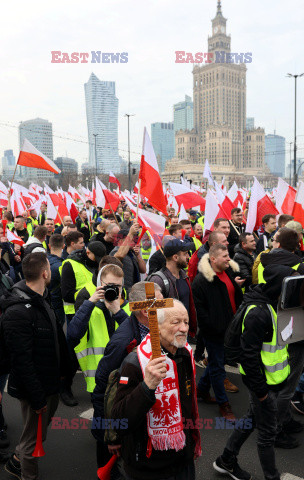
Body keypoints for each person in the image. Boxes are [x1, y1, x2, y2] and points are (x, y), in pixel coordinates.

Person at [213, 265, 294, 480]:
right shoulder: (258, 313)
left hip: (273, 381)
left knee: (251, 420)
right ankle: (272, 477)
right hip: (263, 385)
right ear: (280, 286)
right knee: (267, 435)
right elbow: (248, 359)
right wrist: (262, 394)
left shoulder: (274, 304)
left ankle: (226, 460)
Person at [111, 300, 201, 480]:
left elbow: (189, 404)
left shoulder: (185, 353)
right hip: (148, 467)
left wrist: (193, 440)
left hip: (182, 457)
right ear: (156, 326)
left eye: (186, 322)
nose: (183, 328)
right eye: (176, 322)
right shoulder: (135, 363)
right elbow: (119, 421)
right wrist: (147, 387)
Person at [2, 253, 70, 480]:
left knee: (36, 435)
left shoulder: (42, 298)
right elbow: (21, 361)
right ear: (45, 273)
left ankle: (15, 462)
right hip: (36, 390)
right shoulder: (18, 311)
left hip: (49, 383)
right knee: (33, 441)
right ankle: (27, 475)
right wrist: (38, 396)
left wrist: (63, 373)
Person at [92, 282, 163, 469]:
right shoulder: (122, 342)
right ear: (146, 312)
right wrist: (110, 435)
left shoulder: (153, 328)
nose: (167, 307)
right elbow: (104, 390)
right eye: (161, 303)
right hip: (121, 420)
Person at [192, 244, 244, 420]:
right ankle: (224, 404)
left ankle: (201, 390)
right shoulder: (201, 281)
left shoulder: (227, 272)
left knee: (216, 362)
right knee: (217, 367)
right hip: (214, 333)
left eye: (228, 255)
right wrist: (214, 329)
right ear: (213, 259)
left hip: (230, 329)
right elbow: (201, 313)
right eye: (224, 255)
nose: (229, 258)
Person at [68, 264, 129, 394]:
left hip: (124, 376)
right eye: (110, 285)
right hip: (98, 379)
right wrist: (90, 302)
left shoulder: (128, 308)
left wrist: (117, 312)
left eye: (118, 286)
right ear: (100, 283)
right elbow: (72, 335)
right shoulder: (91, 309)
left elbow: (137, 337)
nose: (114, 289)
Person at [60, 241, 106, 406]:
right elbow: (66, 294)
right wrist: (87, 295)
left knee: (94, 352)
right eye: (96, 257)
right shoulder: (70, 264)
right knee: (73, 355)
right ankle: (64, 388)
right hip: (76, 314)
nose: (98, 261)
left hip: (96, 313)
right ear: (88, 252)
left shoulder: (97, 264)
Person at [149, 238, 197, 339]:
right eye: (185, 254)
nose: (188, 256)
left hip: (184, 332)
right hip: (168, 337)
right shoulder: (158, 280)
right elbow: (152, 314)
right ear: (175, 257)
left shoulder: (184, 276)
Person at [111, 224, 146, 293]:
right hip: (122, 291)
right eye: (131, 240)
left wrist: (138, 255)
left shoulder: (132, 253)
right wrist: (130, 233)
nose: (134, 243)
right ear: (121, 240)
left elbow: (143, 270)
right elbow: (120, 256)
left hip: (133, 291)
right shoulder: (115, 252)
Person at [47, 234, 65, 326]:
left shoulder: (43, 262)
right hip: (57, 304)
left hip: (45, 302)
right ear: (63, 246)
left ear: (49, 246)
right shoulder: (62, 266)